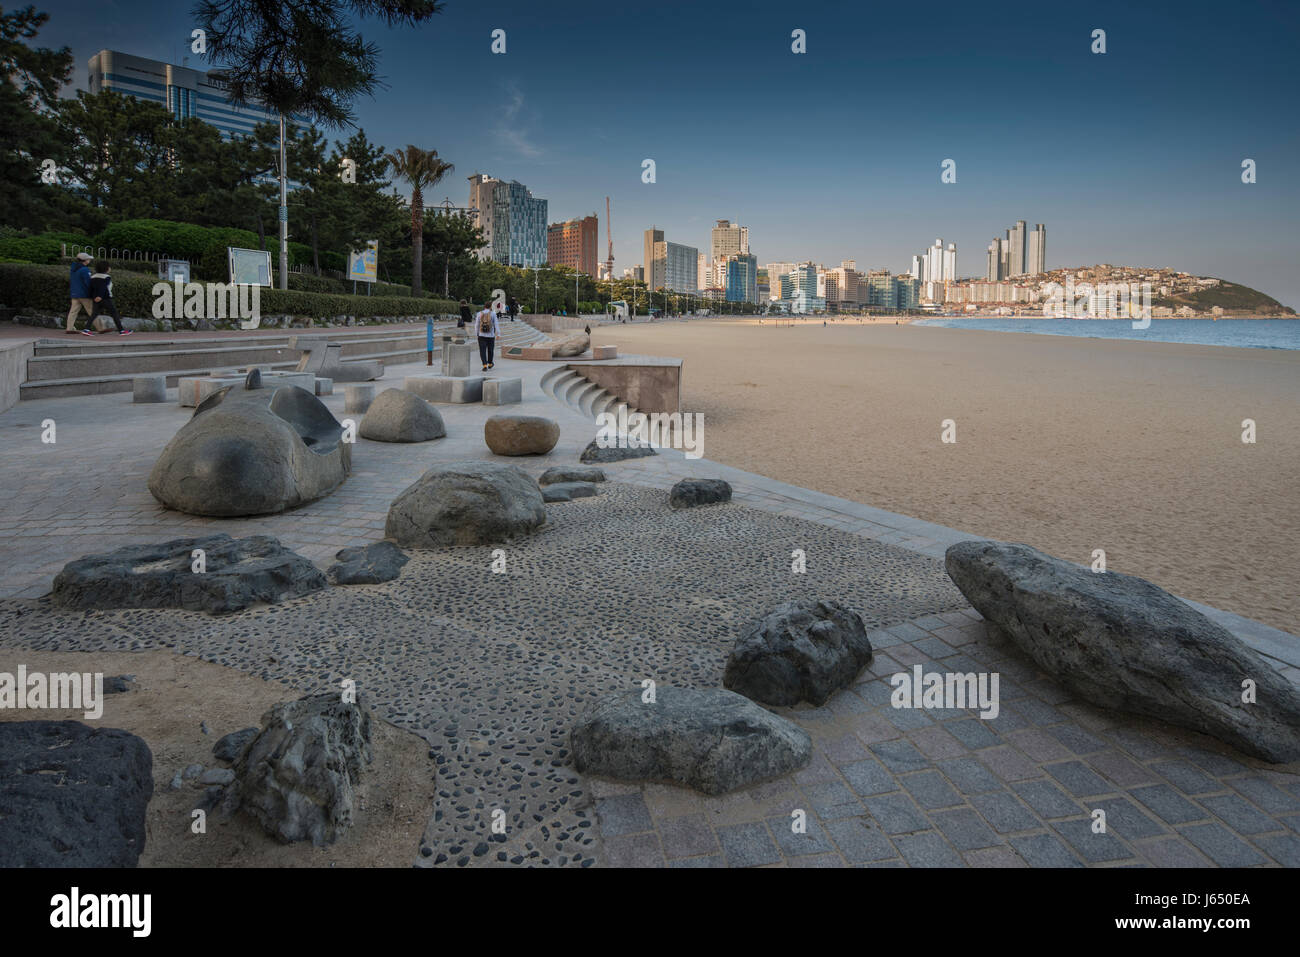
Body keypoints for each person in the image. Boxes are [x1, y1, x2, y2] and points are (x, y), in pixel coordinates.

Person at [88, 262, 132, 336]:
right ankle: (121, 330)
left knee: (94, 314)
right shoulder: (106, 277)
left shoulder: (93, 277)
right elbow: (104, 287)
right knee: (114, 314)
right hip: (106, 298)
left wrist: (94, 297)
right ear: (106, 268)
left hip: (95, 299)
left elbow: (91, 288)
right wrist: (100, 296)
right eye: (109, 267)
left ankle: (86, 329)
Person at [66, 252, 94, 334]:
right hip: (84, 294)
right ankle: (101, 327)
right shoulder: (85, 270)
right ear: (85, 260)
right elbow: (88, 282)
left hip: (74, 293)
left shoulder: (73, 268)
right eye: (88, 259)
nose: (89, 260)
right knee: (92, 311)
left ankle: (69, 328)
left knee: (73, 312)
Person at [475, 302, 500, 371]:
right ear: (491, 307)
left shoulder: (479, 313)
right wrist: (498, 334)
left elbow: (477, 325)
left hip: (481, 335)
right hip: (491, 335)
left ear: (484, 306)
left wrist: (477, 333)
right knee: (490, 350)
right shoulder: (493, 314)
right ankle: (490, 363)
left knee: (482, 351)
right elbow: (496, 324)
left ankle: (484, 365)